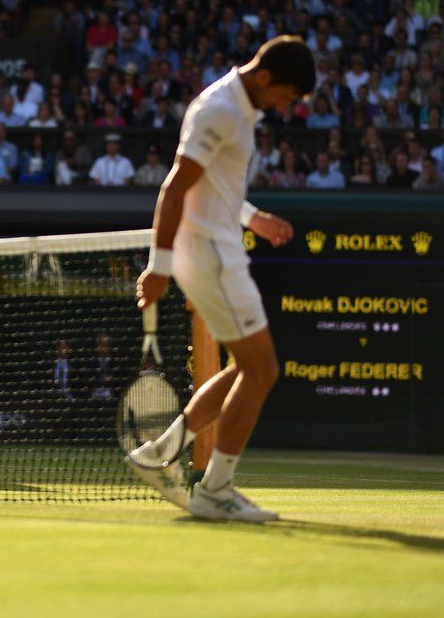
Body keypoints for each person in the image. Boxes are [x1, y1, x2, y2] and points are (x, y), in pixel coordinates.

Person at [128, 35, 314, 523]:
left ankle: (161, 450)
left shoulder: (236, 108)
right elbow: (175, 188)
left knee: (243, 368)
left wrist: (252, 218)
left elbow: (215, 186)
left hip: (218, 249)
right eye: (286, 96)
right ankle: (216, 489)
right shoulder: (221, 110)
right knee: (263, 370)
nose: (283, 107)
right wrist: (159, 267)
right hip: (210, 256)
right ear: (266, 77)